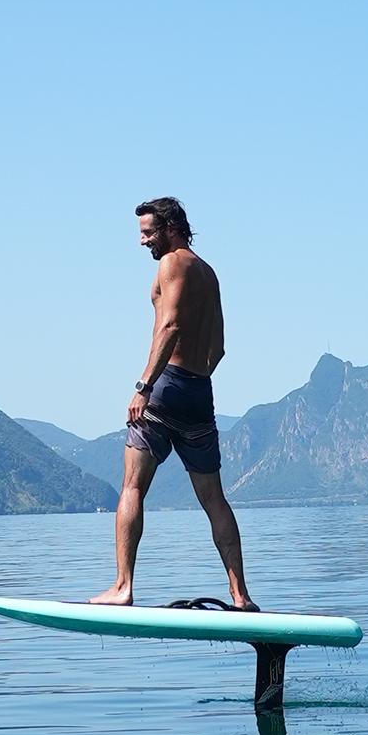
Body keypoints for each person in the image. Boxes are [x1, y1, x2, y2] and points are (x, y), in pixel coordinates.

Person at [89, 197, 256, 610]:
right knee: (214, 498)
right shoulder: (209, 273)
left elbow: (170, 324)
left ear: (171, 227)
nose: (143, 241)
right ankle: (241, 596)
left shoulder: (173, 264)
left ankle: (123, 587)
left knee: (132, 486)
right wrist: (194, 381)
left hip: (165, 386)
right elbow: (218, 349)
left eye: (148, 232)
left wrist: (145, 385)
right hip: (199, 389)